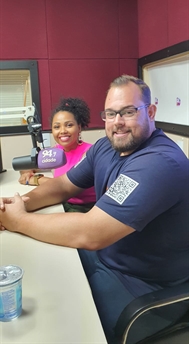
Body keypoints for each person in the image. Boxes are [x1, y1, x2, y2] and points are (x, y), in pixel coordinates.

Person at [0, 75, 188, 344]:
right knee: (41, 286)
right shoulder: (105, 147)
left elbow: (91, 233)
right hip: (102, 258)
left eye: (128, 112)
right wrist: (19, 204)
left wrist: (17, 221)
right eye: (111, 114)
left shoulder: (159, 163)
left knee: (60, 329)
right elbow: (63, 186)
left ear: (151, 112)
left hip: (142, 289)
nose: (117, 122)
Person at [18, 97, 96, 213]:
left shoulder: (90, 152)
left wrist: (37, 179)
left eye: (69, 125)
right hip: (62, 203)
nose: (62, 130)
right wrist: (27, 172)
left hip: (87, 209)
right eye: (56, 127)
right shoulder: (55, 152)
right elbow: (32, 164)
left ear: (79, 128)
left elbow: (66, 186)